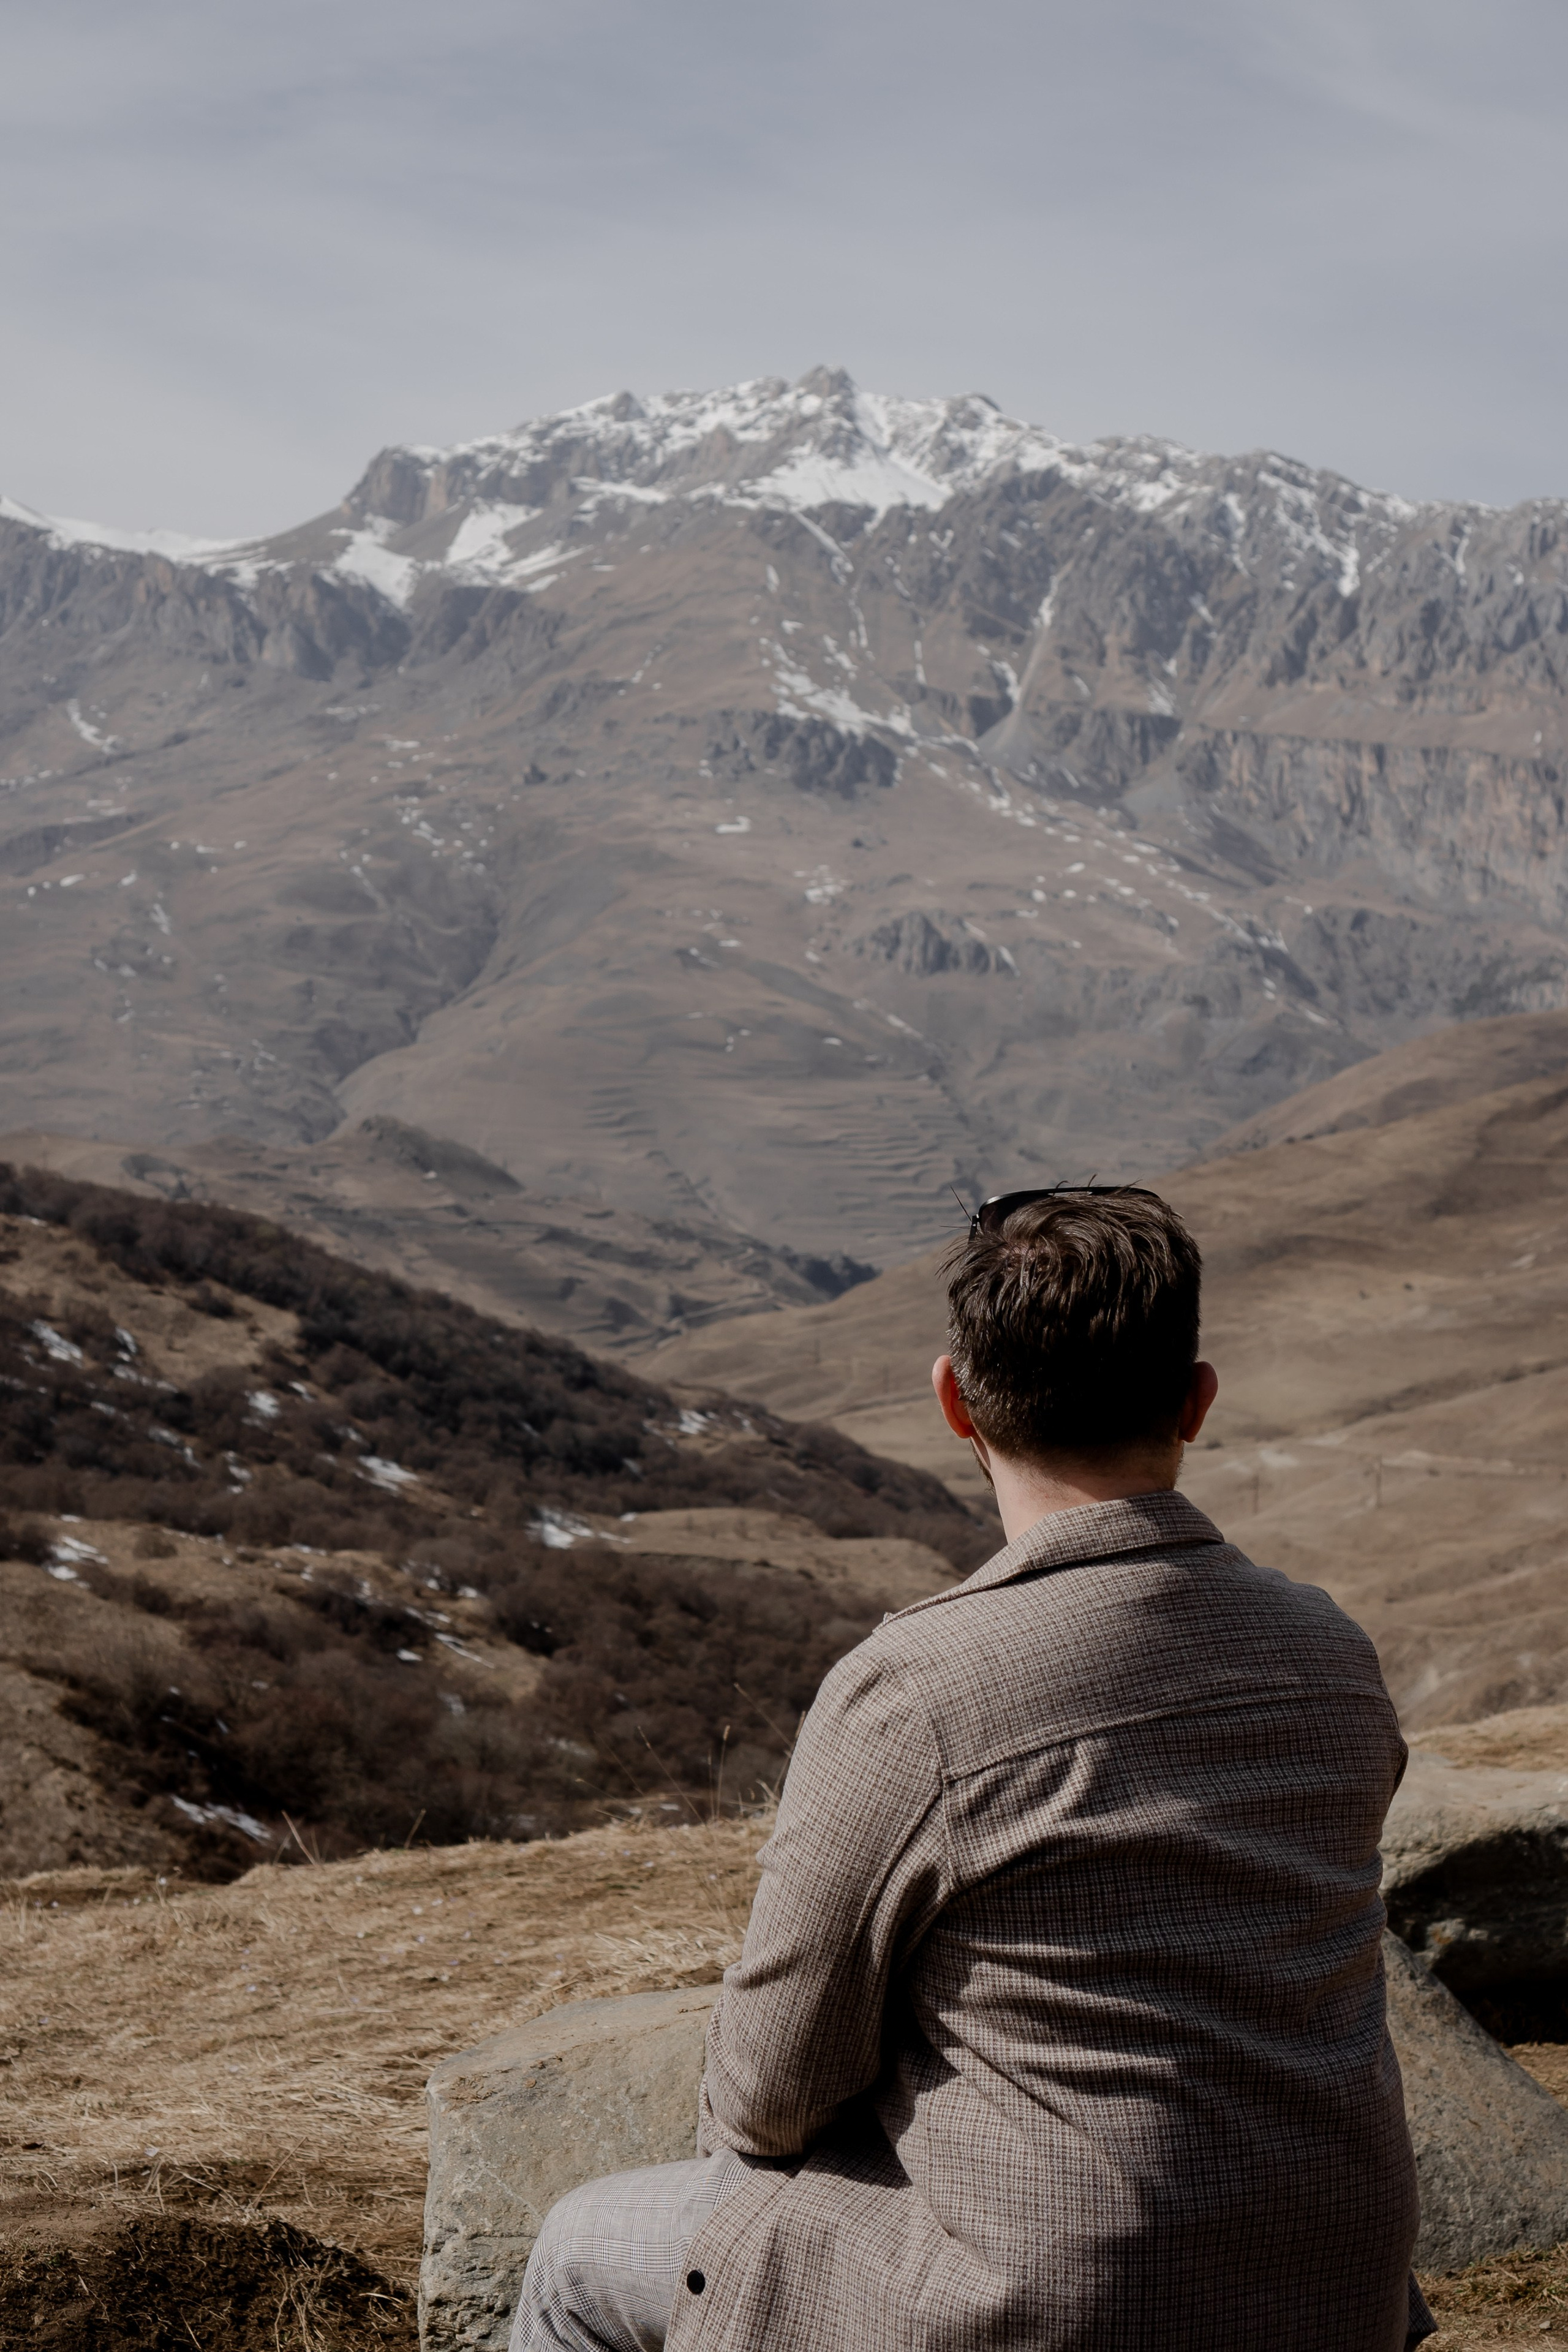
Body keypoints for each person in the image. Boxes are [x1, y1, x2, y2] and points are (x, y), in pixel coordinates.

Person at [511, 1186, 1431, 2352]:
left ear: (955, 1400)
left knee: (579, 2251)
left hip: (1050, 2309)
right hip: (1333, 2288)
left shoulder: (919, 1689)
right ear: (1197, 1400)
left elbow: (772, 2090)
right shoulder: (1333, 1656)